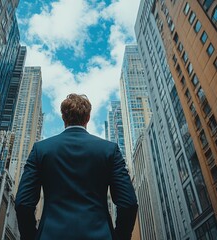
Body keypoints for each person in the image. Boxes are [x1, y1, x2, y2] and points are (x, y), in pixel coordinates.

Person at [15, 93, 138, 240]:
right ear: (88, 118)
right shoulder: (109, 150)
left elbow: (23, 203)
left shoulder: (41, 150)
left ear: (63, 118)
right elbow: (128, 203)